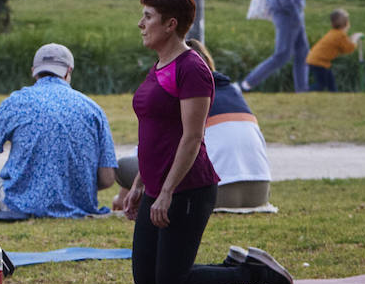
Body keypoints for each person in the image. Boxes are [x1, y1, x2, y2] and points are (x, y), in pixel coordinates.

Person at [117, 0, 292, 284]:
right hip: (157, 186)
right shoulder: (158, 67)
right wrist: (140, 185)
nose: (140, 24)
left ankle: (250, 270)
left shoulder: (192, 69)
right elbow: (155, 135)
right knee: (147, 281)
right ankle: (232, 264)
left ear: (171, 25)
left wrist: (168, 191)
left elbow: (192, 136)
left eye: (148, 17)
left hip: (187, 189)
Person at [0, 43, 118, 219]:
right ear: (68, 71)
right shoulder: (93, 109)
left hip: (19, 204)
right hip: (79, 205)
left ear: (34, 71)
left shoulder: (16, 102)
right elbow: (107, 178)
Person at [114, 39, 272, 210]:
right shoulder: (232, 92)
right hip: (260, 191)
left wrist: (122, 195)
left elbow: (151, 152)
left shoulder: (185, 96)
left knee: (122, 166)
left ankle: (132, 200)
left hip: (216, 192)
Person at [305, 9, 363, 92]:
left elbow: (342, 48)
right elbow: (349, 49)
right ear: (347, 23)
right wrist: (355, 39)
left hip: (317, 61)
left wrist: (349, 40)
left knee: (330, 84)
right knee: (321, 85)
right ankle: (303, 92)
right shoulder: (340, 35)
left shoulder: (334, 33)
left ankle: (334, 94)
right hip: (319, 62)